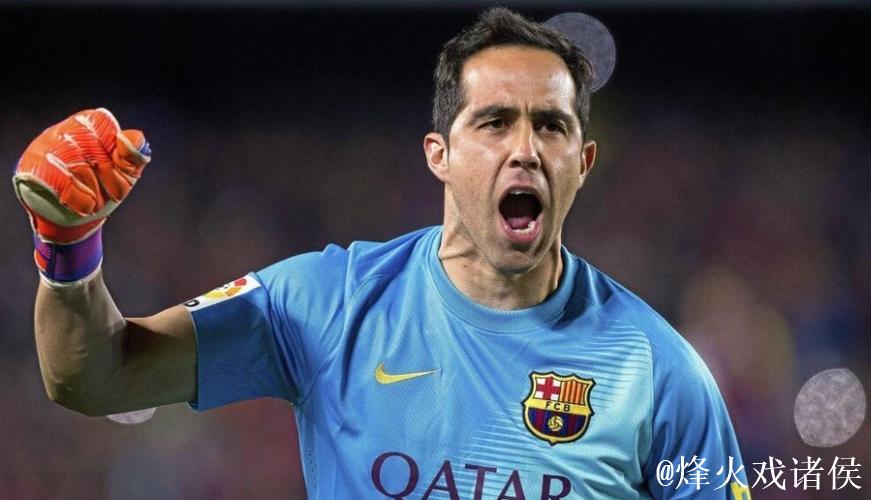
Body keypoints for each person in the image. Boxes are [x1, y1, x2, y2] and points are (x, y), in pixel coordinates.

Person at [13, 8, 751, 499]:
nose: (525, 149)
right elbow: (94, 377)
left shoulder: (656, 369)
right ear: (439, 154)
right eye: (495, 122)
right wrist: (68, 244)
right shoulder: (326, 303)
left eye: (551, 127)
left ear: (581, 163)